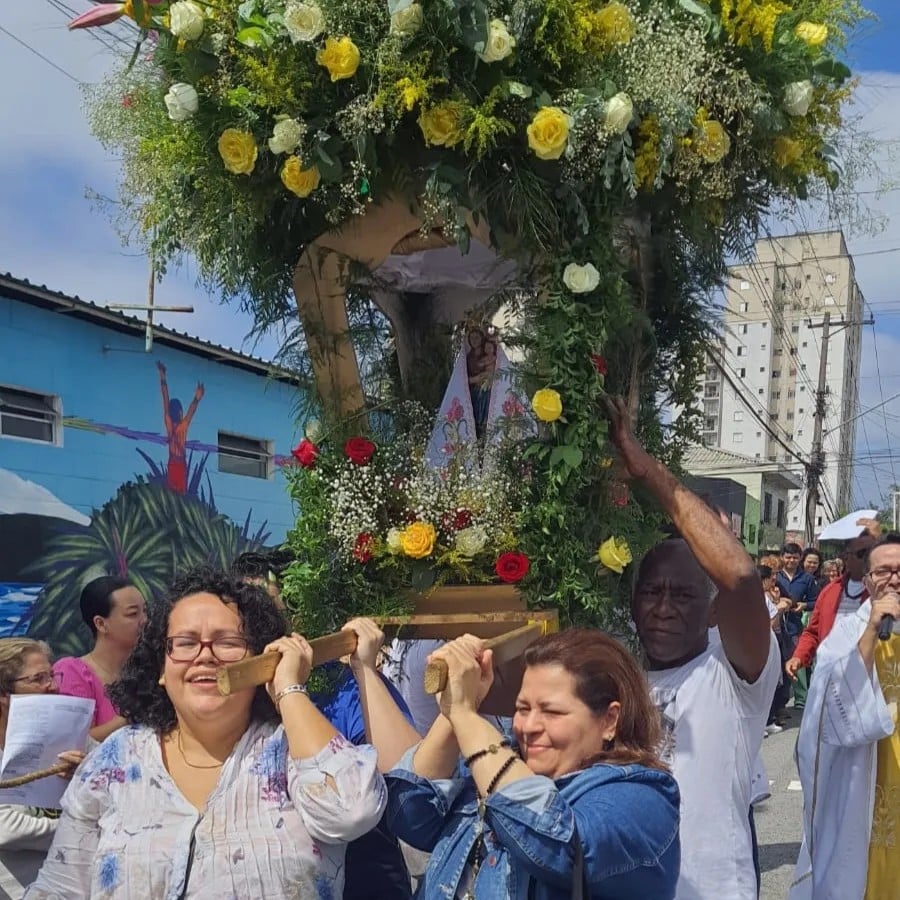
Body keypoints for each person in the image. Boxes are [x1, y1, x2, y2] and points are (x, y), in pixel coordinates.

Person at [26, 568, 386, 899]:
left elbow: (352, 811)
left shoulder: (293, 750)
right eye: (184, 643)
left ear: (259, 659)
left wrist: (289, 690)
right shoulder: (116, 758)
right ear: (161, 668)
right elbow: (60, 888)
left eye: (228, 641)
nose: (205, 656)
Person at [604, 397, 779, 900]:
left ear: (713, 611)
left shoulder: (734, 672)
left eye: (682, 596)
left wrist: (646, 470)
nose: (662, 608)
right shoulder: (615, 677)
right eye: (651, 593)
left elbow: (742, 577)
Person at [386, 629, 681, 899]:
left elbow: (554, 842)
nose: (528, 726)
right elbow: (411, 813)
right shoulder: (496, 768)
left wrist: (465, 716)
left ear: (609, 720)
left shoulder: (643, 799)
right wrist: (456, 711)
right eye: (522, 708)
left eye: (551, 712)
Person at [790, 533, 900, 899]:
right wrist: (872, 630)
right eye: (885, 571)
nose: (895, 578)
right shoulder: (848, 634)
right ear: (868, 581)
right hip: (866, 786)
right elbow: (830, 716)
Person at [0, 638, 86, 898]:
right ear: (3, 694)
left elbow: (117, 794)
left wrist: (87, 776)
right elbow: (6, 830)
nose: (54, 686)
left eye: (52, 675)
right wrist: (83, 831)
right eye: (38, 678)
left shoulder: (72, 731)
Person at [784, 522, 880, 684]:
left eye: (872, 551)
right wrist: (798, 657)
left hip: (870, 681)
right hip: (830, 680)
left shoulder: (883, 591)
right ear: (847, 557)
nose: (869, 557)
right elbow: (813, 632)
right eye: (862, 553)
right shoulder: (830, 592)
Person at [53, 576, 146, 741]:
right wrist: (130, 717)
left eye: (144, 611)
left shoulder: (150, 668)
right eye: (133, 614)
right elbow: (73, 743)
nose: (144, 620)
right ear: (101, 624)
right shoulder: (72, 672)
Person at [156, 361, 204, 494]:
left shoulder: (170, 425)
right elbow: (191, 411)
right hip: (179, 464)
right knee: (179, 495)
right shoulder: (182, 427)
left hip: (173, 462)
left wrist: (162, 377)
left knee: (174, 494)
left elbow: (165, 398)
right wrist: (197, 398)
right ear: (179, 412)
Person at [760, 565, 792, 736]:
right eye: (770, 577)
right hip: (766, 643)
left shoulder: (764, 596)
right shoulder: (761, 597)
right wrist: (779, 608)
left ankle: (769, 720)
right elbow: (772, 622)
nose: (773, 581)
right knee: (768, 682)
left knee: (772, 682)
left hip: (771, 642)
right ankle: (765, 722)